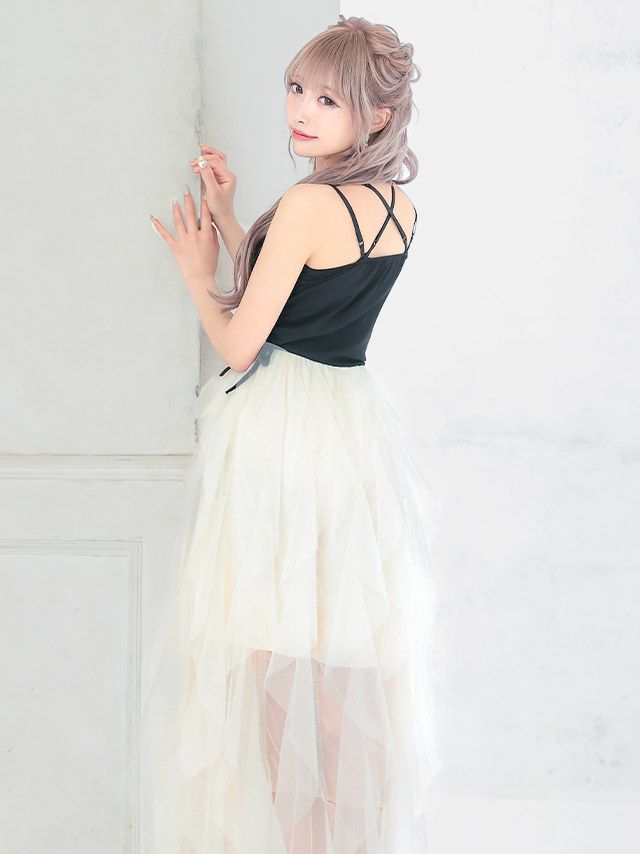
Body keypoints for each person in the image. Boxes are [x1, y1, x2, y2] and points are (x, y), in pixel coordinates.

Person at [144, 14, 442, 853]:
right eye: (297, 89)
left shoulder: (311, 203)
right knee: (332, 671)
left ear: (377, 115)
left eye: (328, 99)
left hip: (281, 437)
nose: (302, 111)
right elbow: (307, 300)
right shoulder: (398, 207)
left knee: (272, 670)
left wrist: (199, 276)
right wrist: (231, 217)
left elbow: (245, 342)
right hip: (349, 429)